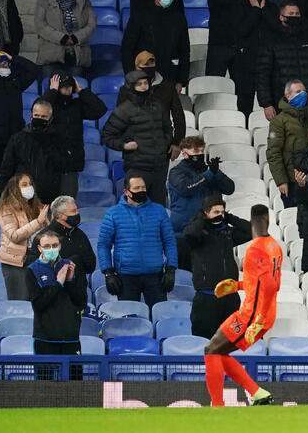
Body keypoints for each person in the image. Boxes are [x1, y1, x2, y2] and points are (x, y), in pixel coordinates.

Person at [203, 204, 279, 406]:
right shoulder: (273, 245)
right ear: (268, 220)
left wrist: (257, 320)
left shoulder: (255, 248)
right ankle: (257, 392)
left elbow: (269, 286)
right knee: (218, 351)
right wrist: (238, 285)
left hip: (252, 314)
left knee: (211, 349)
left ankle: (217, 405)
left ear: (252, 222)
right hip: (263, 312)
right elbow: (268, 282)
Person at [98, 173, 178, 311]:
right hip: (126, 276)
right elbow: (103, 245)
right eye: (137, 188)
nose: (141, 191)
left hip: (155, 275)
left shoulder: (159, 211)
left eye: (143, 187)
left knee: (159, 314)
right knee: (130, 318)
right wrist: (108, 272)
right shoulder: (113, 213)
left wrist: (171, 268)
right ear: (126, 192)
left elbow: (169, 241)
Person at [184, 197, 252, 340]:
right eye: (215, 212)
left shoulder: (227, 232)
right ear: (205, 213)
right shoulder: (198, 232)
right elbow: (189, 235)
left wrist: (229, 217)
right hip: (206, 297)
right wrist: (202, 220)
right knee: (203, 342)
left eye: (222, 212)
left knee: (230, 342)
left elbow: (251, 230)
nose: (219, 215)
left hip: (230, 297)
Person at [101, 71, 172, 205]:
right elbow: (107, 136)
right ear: (131, 87)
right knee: (136, 210)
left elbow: (168, 128)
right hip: (137, 168)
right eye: (139, 84)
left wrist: (165, 143)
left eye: (145, 83)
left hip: (160, 167)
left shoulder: (158, 105)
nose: (144, 87)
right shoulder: (124, 110)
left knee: (158, 210)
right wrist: (124, 145)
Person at [257, 1, 308, 119]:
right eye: (291, 14)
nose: (294, 17)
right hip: (281, 105)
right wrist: (266, 104)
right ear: (281, 17)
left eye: (297, 14)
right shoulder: (271, 42)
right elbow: (263, 75)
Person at [28, 229, 87, 363]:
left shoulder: (70, 266)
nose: (51, 249)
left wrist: (70, 281)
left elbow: (80, 301)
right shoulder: (32, 270)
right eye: (47, 246)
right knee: (45, 381)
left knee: (75, 381)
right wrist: (59, 283)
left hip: (70, 336)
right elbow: (38, 305)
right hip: (44, 338)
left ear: (60, 246)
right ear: (39, 248)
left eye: (55, 245)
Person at [0, 99, 69, 204]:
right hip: (21, 198)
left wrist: (46, 143)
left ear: (50, 119)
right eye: (37, 116)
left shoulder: (58, 140)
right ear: (31, 116)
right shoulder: (18, 139)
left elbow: (63, 165)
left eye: (44, 117)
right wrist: (1, 202)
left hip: (48, 199)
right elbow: (6, 172)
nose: (39, 119)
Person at [121, 0, 191, 89]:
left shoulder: (179, 18)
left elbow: (184, 51)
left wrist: (181, 81)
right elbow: (127, 47)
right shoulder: (140, 16)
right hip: (144, 77)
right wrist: (132, 75)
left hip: (170, 75)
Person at [0, 175, 49, 300]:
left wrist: (47, 223)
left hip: (36, 258)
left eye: (30, 184)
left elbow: (47, 235)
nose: (29, 187)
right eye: (24, 185)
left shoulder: (36, 206)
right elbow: (14, 236)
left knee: (38, 299)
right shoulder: (6, 210)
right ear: (15, 189)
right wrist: (38, 221)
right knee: (21, 301)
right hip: (16, 262)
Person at [123, 52, 185, 160]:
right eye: (145, 65)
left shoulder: (167, 87)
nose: (149, 68)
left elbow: (178, 116)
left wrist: (177, 143)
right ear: (137, 67)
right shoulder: (127, 89)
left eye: (152, 64)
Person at [34, 0, 96, 79]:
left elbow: (91, 24)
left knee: (76, 89)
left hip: (77, 55)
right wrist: (62, 38)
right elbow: (40, 24)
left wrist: (76, 37)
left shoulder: (83, 1)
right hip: (51, 55)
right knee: (50, 89)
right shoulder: (44, 1)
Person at [168, 136, 235, 234]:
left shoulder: (210, 171)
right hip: (185, 229)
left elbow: (230, 189)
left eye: (201, 151)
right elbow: (187, 188)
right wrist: (209, 174)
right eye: (195, 152)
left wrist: (217, 173)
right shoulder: (176, 172)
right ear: (185, 154)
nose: (200, 154)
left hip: (210, 228)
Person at [0, 51, 37, 173]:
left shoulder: (15, 81)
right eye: (1, 63)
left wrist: (12, 58)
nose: (5, 66)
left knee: (13, 179)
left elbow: (33, 70)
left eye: (6, 63)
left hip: (14, 139)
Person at [266, 80, 308, 207]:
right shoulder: (278, 121)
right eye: (298, 92)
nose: (303, 94)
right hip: (292, 181)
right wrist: (281, 181)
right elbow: (273, 152)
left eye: (304, 92)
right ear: (288, 96)